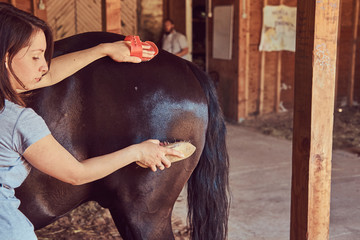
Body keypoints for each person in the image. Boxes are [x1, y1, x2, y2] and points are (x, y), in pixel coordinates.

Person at [0, 3, 184, 240]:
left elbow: (50, 75)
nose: (44, 66)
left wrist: (104, 49)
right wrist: (139, 152)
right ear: (5, 58)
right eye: (36, 57)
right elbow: (76, 173)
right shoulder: (18, 120)